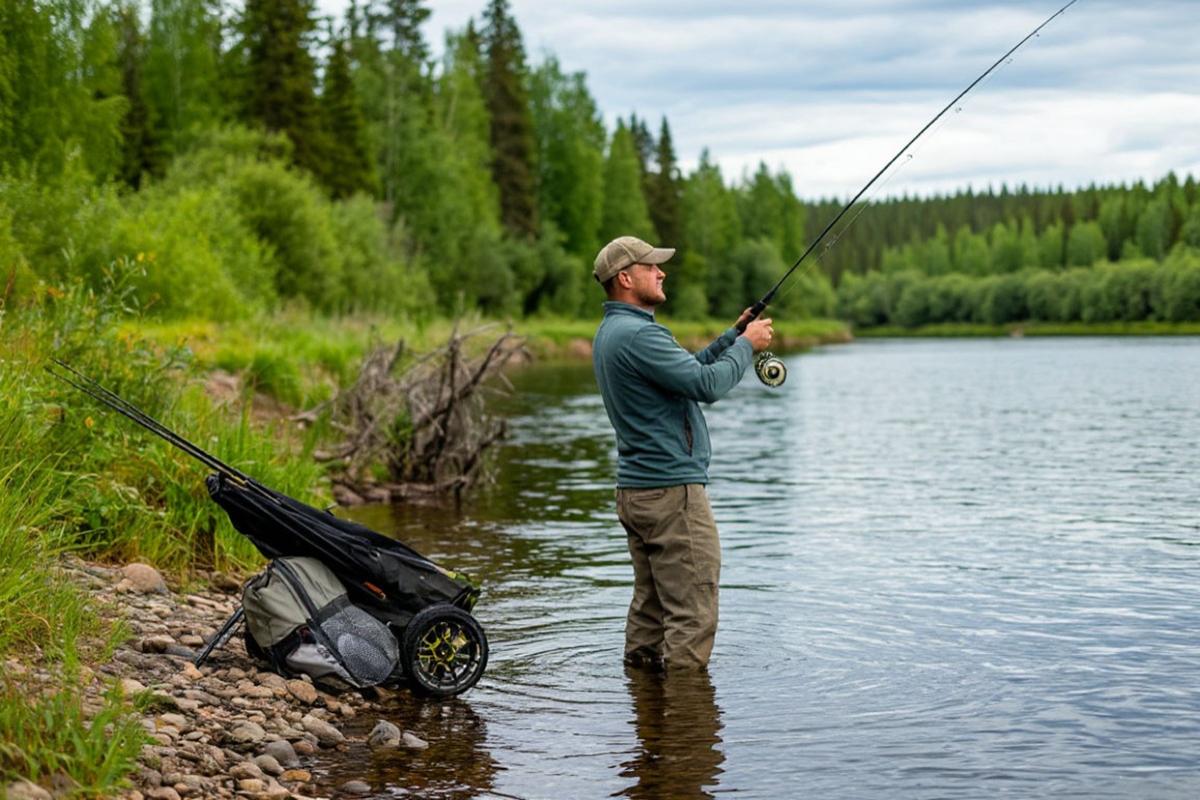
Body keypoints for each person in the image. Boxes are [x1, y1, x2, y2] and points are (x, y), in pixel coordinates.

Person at [591, 235, 774, 670]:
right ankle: (686, 731)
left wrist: (732, 335)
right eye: (651, 266)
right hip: (672, 495)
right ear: (625, 277)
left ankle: (649, 718)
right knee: (692, 617)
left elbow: (687, 371)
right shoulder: (638, 335)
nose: (661, 271)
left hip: (638, 492)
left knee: (651, 613)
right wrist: (748, 346)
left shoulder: (614, 332)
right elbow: (707, 386)